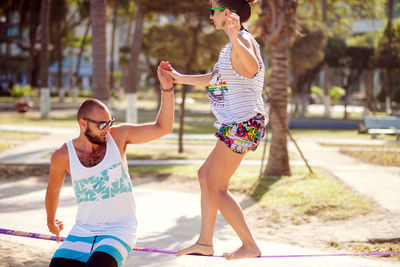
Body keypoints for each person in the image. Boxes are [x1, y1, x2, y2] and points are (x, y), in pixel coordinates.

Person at [164, 0, 267, 260]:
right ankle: (205, 242)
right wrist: (179, 77)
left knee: (216, 185)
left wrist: (235, 37)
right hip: (236, 124)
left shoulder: (243, 40)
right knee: (204, 175)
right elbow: (215, 78)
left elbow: (253, 67)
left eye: (213, 10)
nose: (210, 16)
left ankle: (249, 245)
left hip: (243, 124)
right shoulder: (231, 46)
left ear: (227, 13)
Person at [45, 61, 175, 267]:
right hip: (83, 230)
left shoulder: (118, 136)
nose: (107, 128)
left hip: (119, 230)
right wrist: (51, 221)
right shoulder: (63, 155)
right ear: (83, 124)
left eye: (110, 122)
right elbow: (53, 190)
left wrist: (167, 88)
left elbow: (163, 127)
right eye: (102, 125)